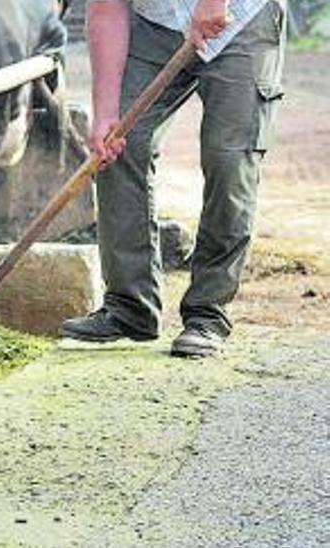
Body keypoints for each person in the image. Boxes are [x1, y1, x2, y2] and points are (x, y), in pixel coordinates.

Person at [62, 0, 286, 357]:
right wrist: (106, 112)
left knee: (228, 158)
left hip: (242, 17)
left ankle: (207, 314)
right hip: (156, 24)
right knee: (119, 144)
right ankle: (130, 307)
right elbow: (106, 8)